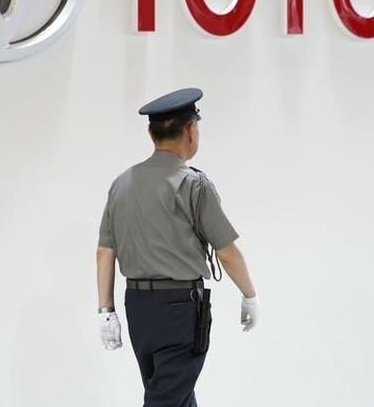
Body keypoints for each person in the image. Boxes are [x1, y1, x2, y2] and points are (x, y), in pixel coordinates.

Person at [96, 87, 258, 407]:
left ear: (151, 133)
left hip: (138, 307)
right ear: (191, 130)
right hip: (179, 309)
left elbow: (104, 251)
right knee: (167, 400)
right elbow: (226, 251)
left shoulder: (122, 183)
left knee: (175, 396)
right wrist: (250, 295)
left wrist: (106, 311)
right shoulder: (192, 183)